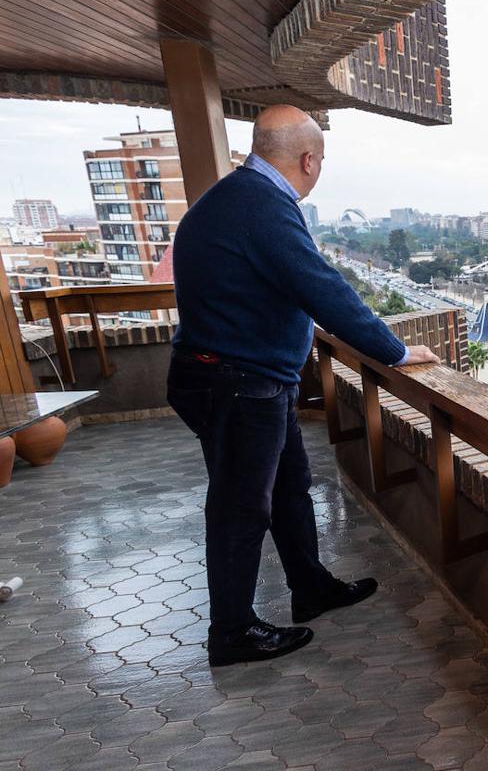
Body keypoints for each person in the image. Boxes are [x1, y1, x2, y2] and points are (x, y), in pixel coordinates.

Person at [167, 105, 440, 667]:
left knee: (292, 485)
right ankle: (232, 633)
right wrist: (393, 351)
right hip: (239, 383)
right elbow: (323, 288)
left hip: (246, 378)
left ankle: (309, 587)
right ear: (309, 159)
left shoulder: (235, 196)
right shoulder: (263, 206)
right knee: (241, 508)